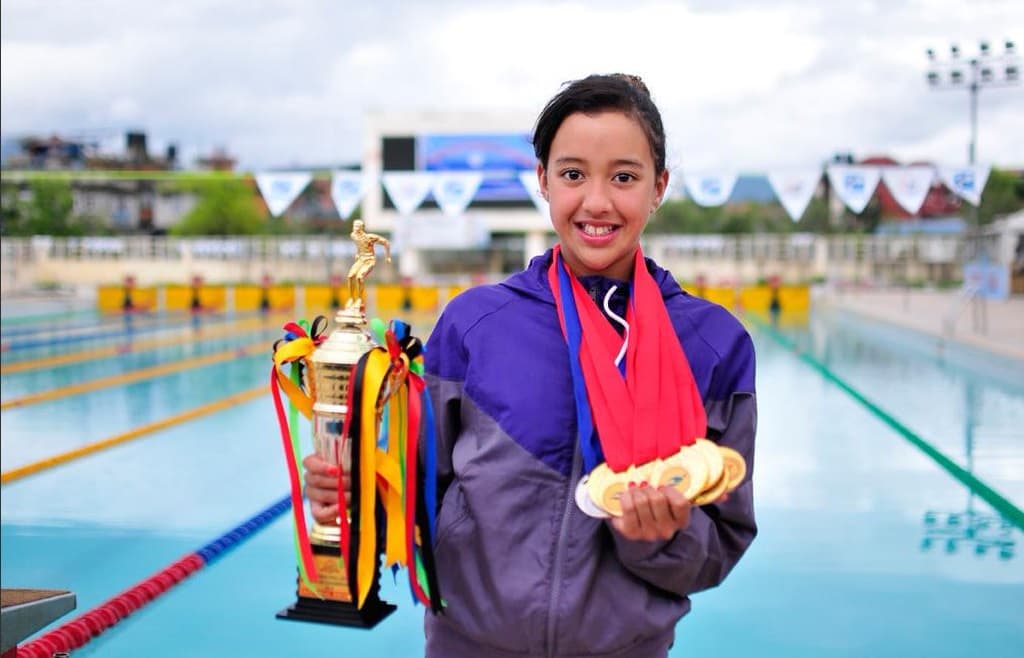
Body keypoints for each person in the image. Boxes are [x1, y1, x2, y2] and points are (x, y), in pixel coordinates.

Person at [304, 73, 757, 658]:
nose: (597, 202)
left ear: (659, 186)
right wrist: (355, 494)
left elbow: (723, 543)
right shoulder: (475, 323)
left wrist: (662, 538)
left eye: (624, 176)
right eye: (573, 174)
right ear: (542, 181)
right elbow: (419, 500)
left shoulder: (714, 344)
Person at [347, 219, 391, 309]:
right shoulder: (353, 236)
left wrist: (387, 256)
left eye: (356, 226)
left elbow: (386, 242)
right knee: (350, 276)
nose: (354, 228)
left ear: (361, 228)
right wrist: (358, 253)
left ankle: (359, 299)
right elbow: (359, 245)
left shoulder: (369, 237)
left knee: (359, 277)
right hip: (360, 259)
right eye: (354, 226)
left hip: (369, 259)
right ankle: (352, 298)